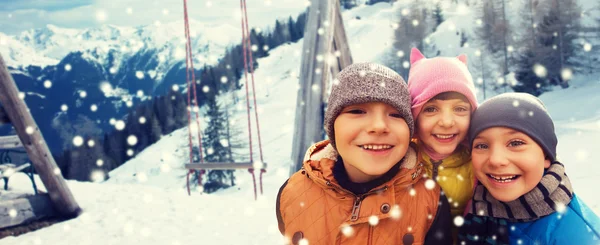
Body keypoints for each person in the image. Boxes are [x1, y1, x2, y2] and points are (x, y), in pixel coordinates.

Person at [276, 62, 452, 245]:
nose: (379, 126)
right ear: (332, 126)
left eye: (395, 114)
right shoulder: (292, 193)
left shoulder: (430, 201)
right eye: (357, 111)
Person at [458, 92, 600, 244]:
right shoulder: (477, 206)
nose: (495, 160)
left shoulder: (577, 236)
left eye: (515, 143)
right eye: (482, 145)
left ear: (546, 156)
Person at [407, 48, 479, 221]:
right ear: (414, 116)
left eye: (460, 109)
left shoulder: (480, 163)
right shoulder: (397, 162)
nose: (447, 122)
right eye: (431, 109)